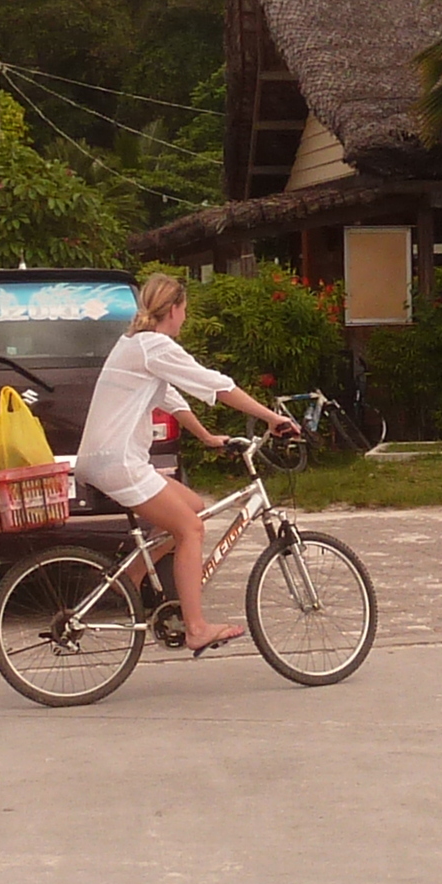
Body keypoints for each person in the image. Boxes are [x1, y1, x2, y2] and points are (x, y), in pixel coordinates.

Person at [80, 274, 287, 657]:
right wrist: (270, 418)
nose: (185, 318)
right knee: (190, 530)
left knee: (194, 510)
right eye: (185, 310)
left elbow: (171, 396)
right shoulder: (154, 345)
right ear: (173, 309)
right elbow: (216, 385)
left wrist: (207, 436)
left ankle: (132, 577)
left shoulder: (135, 345)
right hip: (119, 462)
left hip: (111, 459)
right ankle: (196, 628)